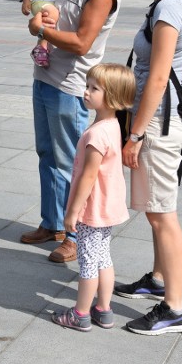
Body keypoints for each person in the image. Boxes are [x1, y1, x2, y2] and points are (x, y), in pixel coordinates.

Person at [20, 0, 122, 264]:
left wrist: (40, 31)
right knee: (47, 156)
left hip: (71, 84)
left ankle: (76, 235)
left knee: (71, 164)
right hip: (46, 76)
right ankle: (52, 224)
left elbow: (81, 42)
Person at [114, 0, 182, 336]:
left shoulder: (169, 9)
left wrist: (135, 134)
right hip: (157, 123)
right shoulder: (165, 2)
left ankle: (175, 308)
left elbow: (159, 79)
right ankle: (159, 281)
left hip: (159, 127)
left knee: (164, 216)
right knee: (155, 211)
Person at [51, 63, 135, 331]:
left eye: (93, 88)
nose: (86, 92)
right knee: (103, 257)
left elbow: (88, 177)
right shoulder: (112, 126)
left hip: (92, 208)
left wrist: (72, 211)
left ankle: (80, 314)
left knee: (87, 261)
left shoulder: (97, 134)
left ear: (111, 96)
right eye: (87, 86)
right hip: (108, 207)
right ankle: (104, 309)